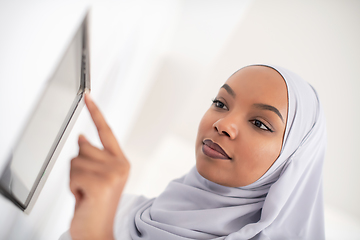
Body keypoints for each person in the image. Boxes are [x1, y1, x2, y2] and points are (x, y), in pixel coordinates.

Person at [62, 64, 326, 240]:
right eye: (221, 103)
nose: (223, 124)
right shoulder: (121, 207)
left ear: (292, 162)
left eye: (259, 123)